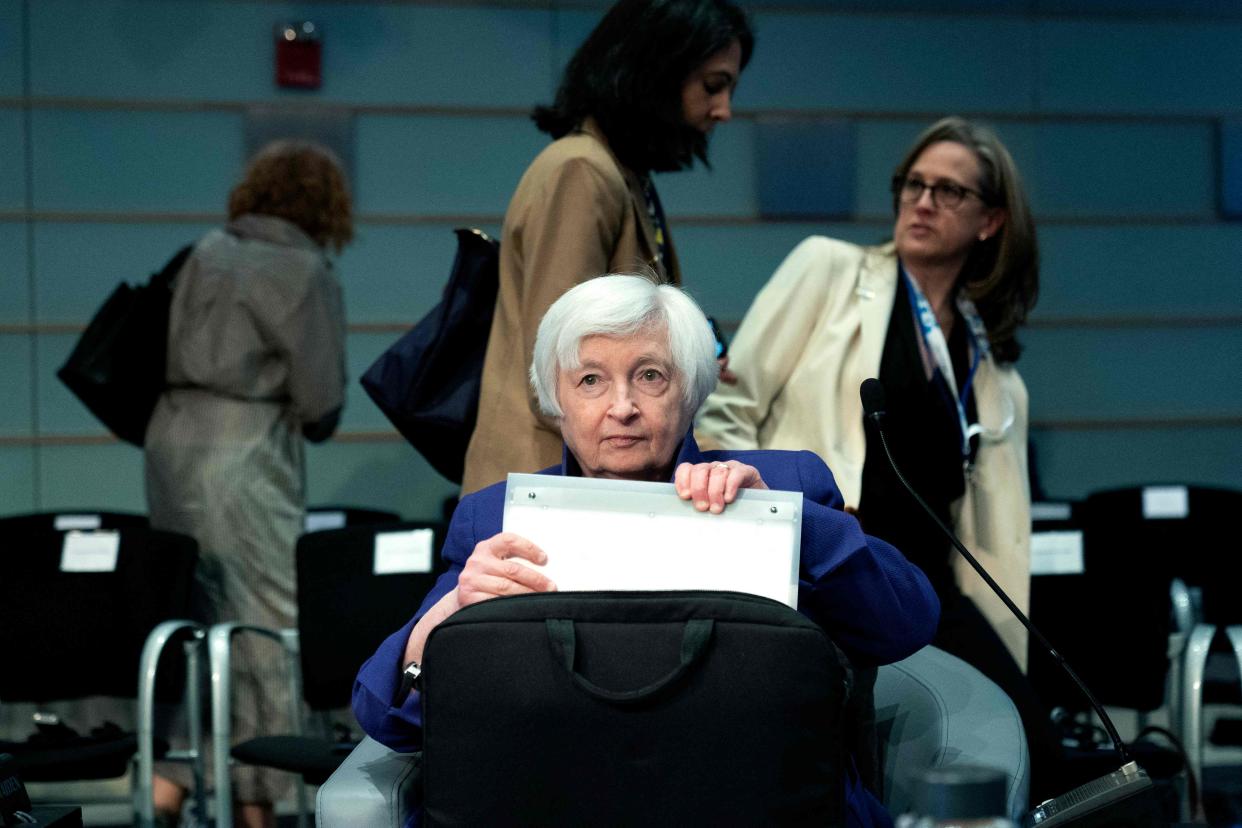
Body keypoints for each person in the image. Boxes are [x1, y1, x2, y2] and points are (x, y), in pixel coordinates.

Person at [355, 274, 939, 826]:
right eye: (590, 380)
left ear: (691, 391)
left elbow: (906, 622)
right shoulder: (495, 518)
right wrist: (455, 610)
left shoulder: (785, 484)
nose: (622, 406)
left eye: (650, 376)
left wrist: (791, 521)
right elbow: (386, 715)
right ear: (555, 400)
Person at [696, 117, 1058, 799]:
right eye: (913, 185)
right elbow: (726, 413)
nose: (922, 202)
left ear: (990, 221)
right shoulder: (828, 271)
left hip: (932, 582)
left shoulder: (990, 362)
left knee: (1034, 748)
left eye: (948, 192)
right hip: (835, 567)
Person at [460, 0, 754, 495]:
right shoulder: (582, 171)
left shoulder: (618, 172)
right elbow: (558, 364)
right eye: (712, 85)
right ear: (656, 72)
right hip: (547, 489)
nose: (724, 110)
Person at [145, 139, 350, 828]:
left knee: (200, 620)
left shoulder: (206, 248)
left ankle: (174, 783)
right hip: (246, 448)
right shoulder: (302, 267)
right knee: (268, 623)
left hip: (172, 440)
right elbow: (321, 400)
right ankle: (266, 801)